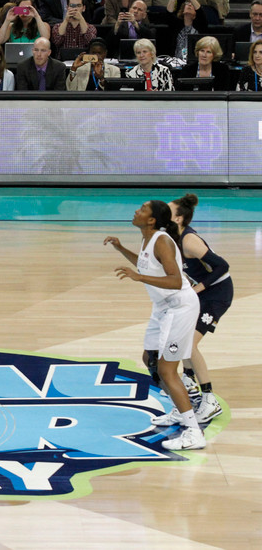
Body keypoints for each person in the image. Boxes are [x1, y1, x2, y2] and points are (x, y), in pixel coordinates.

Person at [103, 201, 205, 451]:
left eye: (142, 209)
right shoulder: (148, 238)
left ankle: (194, 432)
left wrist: (139, 277)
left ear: (152, 220)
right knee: (149, 358)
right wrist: (121, 248)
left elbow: (175, 280)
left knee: (167, 370)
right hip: (163, 308)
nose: (136, 211)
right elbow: (145, 264)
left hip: (179, 307)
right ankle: (179, 410)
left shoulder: (162, 240)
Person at [167, 193, 231, 424]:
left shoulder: (189, 240)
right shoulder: (171, 237)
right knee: (180, 335)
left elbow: (222, 266)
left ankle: (210, 400)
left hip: (217, 294)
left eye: (167, 211)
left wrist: (197, 289)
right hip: (201, 293)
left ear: (179, 219)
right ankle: (189, 382)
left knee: (189, 344)